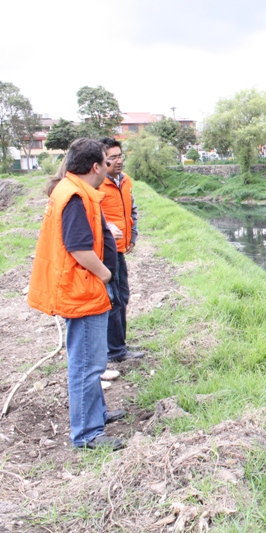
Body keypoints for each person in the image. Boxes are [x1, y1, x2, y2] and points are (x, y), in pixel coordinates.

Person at [27, 138, 126, 451]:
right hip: (81, 291)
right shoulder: (74, 196)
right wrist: (105, 273)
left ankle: (96, 414)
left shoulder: (76, 191)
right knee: (86, 365)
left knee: (91, 361)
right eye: (106, 164)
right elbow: (79, 247)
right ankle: (87, 434)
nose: (109, 168)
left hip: (83, 288)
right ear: (95, 167)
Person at [98, 138, 143, 364]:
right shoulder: (96, 185)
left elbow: (131, 211)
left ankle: (119, 343)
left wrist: (132, 236)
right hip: (106, 252)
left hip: (120, 250)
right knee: (113, 299)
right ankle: (115, 351)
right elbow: (94, 218)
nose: (118, 161)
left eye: (119, 155)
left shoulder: (125, 181)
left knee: (122, 297)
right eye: (112, 158)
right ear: (101, 161)